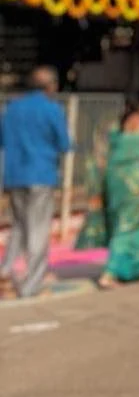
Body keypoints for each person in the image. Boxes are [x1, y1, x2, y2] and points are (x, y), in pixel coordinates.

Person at [0, 66, 72, 301]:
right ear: (50, 86)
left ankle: (5, 270)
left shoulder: (11, 108)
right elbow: (64, 143)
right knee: (38, 230)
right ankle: (31, 284)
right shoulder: (52, 109)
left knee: (19, 226)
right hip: (41, 174)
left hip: (14, 175)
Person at [79, 96, 139, 287]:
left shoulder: (114, 127)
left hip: (114, 181)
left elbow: (102, 156)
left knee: (137, 225)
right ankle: (111, 271)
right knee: (127, 227)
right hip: (136, 182)